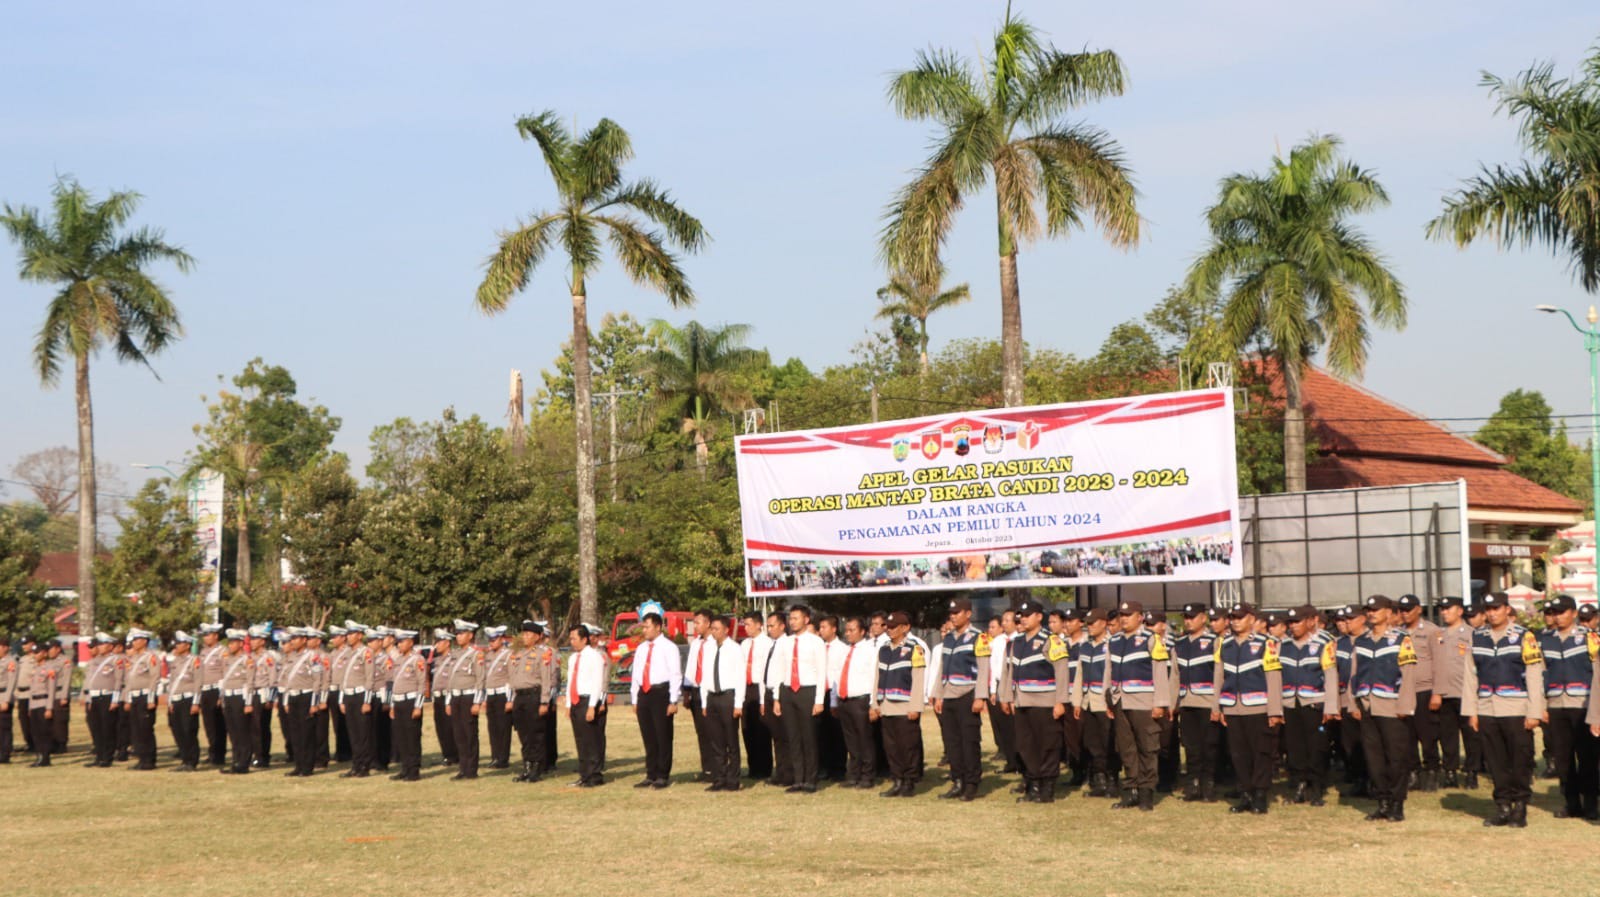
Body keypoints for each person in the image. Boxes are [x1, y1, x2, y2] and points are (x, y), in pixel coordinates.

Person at [1463, 591, 1545, 827]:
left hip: (1516, 707)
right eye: (1488, 609)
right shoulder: (1476, 637)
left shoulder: (1524, 636)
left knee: (1519, 760)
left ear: (1507, 609)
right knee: (1495, 761)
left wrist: (1534, 712)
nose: (1492, 613)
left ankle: (1520, 807)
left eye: (1497, 608)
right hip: (1487, 707)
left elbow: (1533, 675)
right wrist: (1472, 711)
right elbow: (1471, 677)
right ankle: (1502, 806)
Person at [1348, 595, 1419, 822]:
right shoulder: (1362, 641)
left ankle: (1397, 803)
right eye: (1369, 609)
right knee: (1374, 757)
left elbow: (1408, 674)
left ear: (1389, 613)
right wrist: (1353, 703)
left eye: (1376, 610)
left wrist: (1405, 705)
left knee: (1396, 757)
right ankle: (1383, 802)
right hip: (1367, 705)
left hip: (1392, 705)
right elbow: (1354, 674)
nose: (1371, 613)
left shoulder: (1401, 639)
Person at [1213, 604, 1282, 815]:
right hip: (1233, 707)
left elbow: (1273, 678)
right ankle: (1246, 794)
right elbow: (1219, 676)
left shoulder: (1265, 643)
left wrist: (1275, 710)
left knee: (1260, 753)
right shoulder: (1225, 644)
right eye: (1232, 617)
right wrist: (1217, 707)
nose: (1235, 621)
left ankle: (1260, 795)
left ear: (1251, 619)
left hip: (1258, 707)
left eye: (1240, 617)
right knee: (1238, 754)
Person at [1105, 600, 1171, 811]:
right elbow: (1108, 670)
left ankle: (1146, 792)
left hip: (1144, 701)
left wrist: (1160, 702)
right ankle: (1130, 790)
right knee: (1126, 748)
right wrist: (1108, 699)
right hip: (1120, 700)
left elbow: (1160, 672)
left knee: (1147, 748)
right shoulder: (1113, 640)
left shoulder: (1151, 639)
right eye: (1122, 615)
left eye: (1129, 614)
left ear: (1140, 617)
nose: (1124, 618)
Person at [1535, 594, 1597, 820]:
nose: (1557, 617)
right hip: (1556, 705)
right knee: (1563, 758)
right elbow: (1539, 673)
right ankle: (1571, 803)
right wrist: (1541, 705)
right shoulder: (1544, 639)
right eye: (1554, 613)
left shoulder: (1590, 637)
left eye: (1562, 612)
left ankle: (1591, 803)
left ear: (1573, 613)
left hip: (1583, 704)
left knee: (1588, 756)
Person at [1005, 598, 1071, 804]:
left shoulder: (1051, 640)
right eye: (1021, 616)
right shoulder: (1016, 642)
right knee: (1026, 745)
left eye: (1027, 616)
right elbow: (1008, 671)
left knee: (1047, 745)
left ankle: (1047, 787)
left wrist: (1061, 701)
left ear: (1039, 617)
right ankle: (1033, 785)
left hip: (1045, 702)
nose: (1022, 620)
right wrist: (1007, 697)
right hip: (1022, 701)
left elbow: (1062, 672)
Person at [1277, 605, 1338, 806]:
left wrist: (1330, 707)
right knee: (1294, 749)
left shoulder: (1323, 644)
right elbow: (1276, 678)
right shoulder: (1282, 645)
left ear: (1310, 622)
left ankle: (1316, 788)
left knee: (1316, 748)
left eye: (1297, 622)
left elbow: (1330, 676)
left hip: (1314, 704)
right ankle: (1299, 785)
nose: (1292, 626)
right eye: (1290, 623)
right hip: (1290, 704)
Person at [933, 597, 990, 802]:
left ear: (968, 614)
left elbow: (984, 668)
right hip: (949, 695)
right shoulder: (948, 638)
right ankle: (958, 780)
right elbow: (942, 668)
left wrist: (980, 696)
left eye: (957, 613)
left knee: (969, 742)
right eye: (951, 613)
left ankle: (972, 783)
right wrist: (938, 694)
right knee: (952, 742)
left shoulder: (979, 637)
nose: (953, 616)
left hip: (968, 694)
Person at [770, 604, 828, 793]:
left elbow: (821, 672)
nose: (792, 622)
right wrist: (777, 698)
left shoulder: (815, 642)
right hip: (788, 691)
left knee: (808, 737)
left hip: (807, 690)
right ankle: (798, 778)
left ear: (806, 619)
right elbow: (779, 670)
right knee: (793, 737)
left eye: (796, 618)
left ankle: (810, 779)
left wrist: (819, 700)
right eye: (790, 618)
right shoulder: (784, 642)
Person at [872, 611, 926, 797]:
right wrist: (875, 703)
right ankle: (897, 780)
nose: (890, 630)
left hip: (905, 706)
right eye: (888, 626)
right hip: (886, 705)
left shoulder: (915, 648)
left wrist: (915, 706)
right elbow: (877, 677)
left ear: (906, 628)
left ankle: (909, 781)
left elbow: (918, 679)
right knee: (892, 747)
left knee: (908, 747)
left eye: (894, 627)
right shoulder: (884, 649)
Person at [1174, 603, 1222, 802]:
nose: (1188, 621)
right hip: (1186, 701)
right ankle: (1193, 784)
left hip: (1207, 702)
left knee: (1209, 746)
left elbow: (1220, 674)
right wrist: (1172, 704)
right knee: (1191, 746)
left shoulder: (1215, 642)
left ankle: (1208, 784)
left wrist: (1217, 705)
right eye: (1186, 617)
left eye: (1192, 617)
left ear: (1203, 618)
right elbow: (1175, 676)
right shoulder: (1179, 643)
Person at [630, 612, 682, 788]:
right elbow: (636, 674)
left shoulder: (669, 647)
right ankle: (650, 773)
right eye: (643, 626)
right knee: (648, 736)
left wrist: (673, 700)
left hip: (661, 693)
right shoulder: (641, 648)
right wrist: (635, 698)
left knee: (663, 735)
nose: (644, 630)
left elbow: (675, 674)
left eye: (647, 626)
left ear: (658, 627)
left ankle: (662, 774)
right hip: (644, 693)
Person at [1397, 594, 1442, 792]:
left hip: (1425, 689)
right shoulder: (1398, 634)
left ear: (1418, 610)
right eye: (1402, 610)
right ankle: (1413, 772)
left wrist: (1437, 692)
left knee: (1428, 735)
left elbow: (1440, 662)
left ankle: (1432, 771)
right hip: (1405, 691)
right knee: (1407, 735)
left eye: (1408, 609)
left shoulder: (1432, 631)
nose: (1404, 613)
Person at [700, 615, 745, 791]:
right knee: (716, 741)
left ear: (726, 630)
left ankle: (733, 779)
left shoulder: (734, 648)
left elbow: (740, 676)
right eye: (712, 628)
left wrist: (738, 703)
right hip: (712, 696)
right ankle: (719, 778)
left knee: (731, 740)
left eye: (717, 628)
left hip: (728, 696)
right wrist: (704, 702)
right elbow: (704, 675)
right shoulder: (709, 648)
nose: (713, 632)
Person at [509, 620, 558, 782]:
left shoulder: (542, 654)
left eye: (529, 634)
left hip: (534, 696)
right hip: (520, 697)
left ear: (538, 637)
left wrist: (545, 702)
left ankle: (537, 768)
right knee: (523, 733)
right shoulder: (519, 654)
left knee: (535, 733)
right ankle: (527, 767)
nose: (525, 637)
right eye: (524, 633)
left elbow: (546, 679)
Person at [1073, 608, 1115, 797]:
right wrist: (1077, 701)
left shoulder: (1112, 644)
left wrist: (1110, 701)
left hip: (1104, 702)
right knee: (1092, 743)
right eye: (1087, 623)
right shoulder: (1086, 646)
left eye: (1093, 623)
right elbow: (1079, 674)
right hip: (1088, 701)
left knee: (1109, 743)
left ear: (1104, 623)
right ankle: (1099, 781)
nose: (1089, 627)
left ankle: (1112, 781)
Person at [833, 615, 878, 789]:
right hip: (844, 700)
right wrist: (835, 701)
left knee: (864, 739)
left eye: (852, 630)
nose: (848, 633)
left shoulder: (869, 650)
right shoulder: (844, 650)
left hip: (861, 700)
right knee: (851, 741)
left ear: (863, 631)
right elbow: (837, 675)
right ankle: (853, 774)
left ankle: (868, 776)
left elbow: (874, 678)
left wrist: (874, 704)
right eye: (847, 630)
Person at [1433, 597, 1472, 789]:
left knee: (1471, 736)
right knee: (1447, 736)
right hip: (1445, 693)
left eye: (1449, 608)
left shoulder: (1472, 634)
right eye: (1442, 609)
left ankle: (1471, 771)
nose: (1444, 612)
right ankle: (1450, 772)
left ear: (1460, 611)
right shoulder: (1438, 634)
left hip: (1466, 693)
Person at [1332, 605, 1370, 796]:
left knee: (1369, 743)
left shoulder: (1370, 640)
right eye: (1345, 619)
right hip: (1344, 700)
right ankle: (1358, 780)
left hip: (1366, 699)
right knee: (1349, 743)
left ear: (1363, 619)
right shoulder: (1339, 643)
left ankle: (1372, 781)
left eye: (1351, 618)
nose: (1346, 622)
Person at [566, 624, 607, 787]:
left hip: (588, 700)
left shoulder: (594, 656)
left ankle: (594, 775)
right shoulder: (573, 658)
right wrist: (569, 704)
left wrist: (592, 706)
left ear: (584, 639)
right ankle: (584, 774)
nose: (571, 642)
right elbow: (570, 681)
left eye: (574, 639)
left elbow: (597, 682)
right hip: (576, 701)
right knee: (581, 740)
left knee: (591, 739)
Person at [444, 619, 486, 780]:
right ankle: (463, 768)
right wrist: (448, 700)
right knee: (459, 735)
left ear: (470, 635)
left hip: (469, 697)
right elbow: (451, 680)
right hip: (455, 696)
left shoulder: (476, 654)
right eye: (457, 634)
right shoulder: (455, 655)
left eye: (462, 633)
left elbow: (480, 679)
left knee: (469, 734)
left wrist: (477, 702)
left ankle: (471, 769)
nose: (459, 637)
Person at [387, 629, 428, 782]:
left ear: (410, 642)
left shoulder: (417, 659)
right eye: (398, 642)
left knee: (412, 738)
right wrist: (392, 705)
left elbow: (421, 684)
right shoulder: (398, 660)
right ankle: (405, 768)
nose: (399, 645)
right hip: (398, 702)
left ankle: (413, 770)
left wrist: (418, 706)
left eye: (402, 642)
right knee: (401, 738)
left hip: (411, 702)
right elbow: (394, 684)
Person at [337, 623, 377, 778]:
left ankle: (364, 766)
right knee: (352, 733)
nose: (348, 636)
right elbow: (344, 678)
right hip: (349, 695)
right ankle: (356, 764)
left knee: (362, 733)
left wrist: (367, 701)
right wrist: (342, 699)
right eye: (348, 633)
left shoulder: (366, 652)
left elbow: (369, 678)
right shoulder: (347, 653)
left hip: (361, 696)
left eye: (352, 633)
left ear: (360, 635)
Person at [739, 612, 775, 782]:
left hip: (759, 688)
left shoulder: (768, 644)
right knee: (747, 728)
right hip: (745, 688)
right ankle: (753, 766)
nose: (745, 628)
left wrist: (762, 699)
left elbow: (764, 674)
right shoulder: (744, 644)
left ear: (758, 624)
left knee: (761, 729)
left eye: (748, 624)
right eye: (744, 624)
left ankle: (765, 767)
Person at [162, 631, 204, 772]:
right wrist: (170, 701)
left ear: (187, 645)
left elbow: (198, 682)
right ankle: (184, 759)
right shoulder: (175, 661)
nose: (176, 646)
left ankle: (192, 761)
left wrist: (196, 702)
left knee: (188, 730)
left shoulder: (194, 660)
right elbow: (173, 681)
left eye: (179, 643)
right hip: (176, 699)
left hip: (189, 699)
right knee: (178, 730)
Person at [123, 629, 162, 770]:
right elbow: (128, 681)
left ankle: (149, 760)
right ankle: (141, 758)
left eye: (137, 640)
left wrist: (151, 698)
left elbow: (154, 677)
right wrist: (127, 699)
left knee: (146, 729)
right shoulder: (132, 659)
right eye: (133, 640)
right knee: (136, 729)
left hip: (146, 696)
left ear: (144, 641)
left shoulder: (150, 657)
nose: (134, 643)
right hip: (134, 696)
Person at [682, 610, 714, 782]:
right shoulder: (695, 643)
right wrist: (686, 692)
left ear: (708, 623)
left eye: (698, 622)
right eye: (694, 623)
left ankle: (718, 767)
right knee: (701, 731)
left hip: (708, 690)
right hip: (695, 690)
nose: (695, 626)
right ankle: (706, 768)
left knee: (712, 731)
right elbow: (690, 667)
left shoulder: (714, 643)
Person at [82, 632, 123, 767]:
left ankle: (107, 757)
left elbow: (118, 680)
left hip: (108, 696)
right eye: (98, 644)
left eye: (102, 644)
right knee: (96, 728)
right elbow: (89, 681)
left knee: (107, 728)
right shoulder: (94, 661)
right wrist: (88, 699)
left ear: (110, 646)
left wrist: (115, 700)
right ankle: (99, 756)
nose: (99, 647)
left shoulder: (116, 660)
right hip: (95, 697)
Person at [219, 629, 257, 775]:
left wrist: (248, 703)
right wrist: (222, 697)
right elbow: (224, 679)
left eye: (233, 642)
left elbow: (250, 682)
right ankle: (235, 760)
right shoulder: (227, 659)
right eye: (229, 642)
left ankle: (244, 762)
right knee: (232, 731)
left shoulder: (247, 660)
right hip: (228, 697)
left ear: (241, 643)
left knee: (242, 731)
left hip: (240, 697)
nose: (230, 645)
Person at [817, 614, 848, 781]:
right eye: (820, 627)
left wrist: (835, 700)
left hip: (834, 692)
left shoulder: (841, 649)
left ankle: (838, 768)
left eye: (824, 627)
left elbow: (839, 674)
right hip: (820, 693)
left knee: (837, 733)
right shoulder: (819, 647)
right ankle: (824, 766)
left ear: (834, 628)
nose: (821, 631)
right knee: (821, 733)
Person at [480, 625, 514, 770]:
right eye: (490, 640)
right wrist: (483, 698)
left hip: (502, 695)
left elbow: (512, 678)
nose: (491, 643)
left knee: (503, 728)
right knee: (492, 727)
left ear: (501, 639)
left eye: (494, 640)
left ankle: (503, 758)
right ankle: (495, 756)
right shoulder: (488, 656)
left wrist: (510, 699)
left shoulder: (508, 655)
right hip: (491, 694)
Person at [195, 622, 228, 767]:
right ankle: (212, 752)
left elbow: (226, 673)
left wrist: (222, 695)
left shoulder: (223, 651)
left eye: (208, 635)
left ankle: (219, 755)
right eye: (204, 635)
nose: (205, 638)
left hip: (216, 689)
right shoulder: (202, 652)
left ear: (215, 636)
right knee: (208, 725)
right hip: (205, 690)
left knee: (218, 724)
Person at [249, 625, 279, 768]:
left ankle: (263, 756)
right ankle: (255, 754)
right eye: (252, 639)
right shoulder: (250, 657)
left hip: (263, 694)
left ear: (262, 641)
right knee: (252, 727)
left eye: (255, 639)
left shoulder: (268, 658)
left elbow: (273, 679)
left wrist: (270, 698)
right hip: (252, 694)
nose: (252, 642)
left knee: (261, 726)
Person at [26, 640, 58, 766]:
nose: (35, 655)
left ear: (44, 653)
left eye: (38, 652)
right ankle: (39, 756)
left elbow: (51, 689)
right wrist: (29, 706)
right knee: (35, 732)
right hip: (34, 703)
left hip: (44, 703)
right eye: (34, 653)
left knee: (44, 732)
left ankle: (45, 757)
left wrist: (49, 708)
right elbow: (31, 690)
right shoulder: (35, 669)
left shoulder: (50, 669)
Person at [429, 629, 457, 767]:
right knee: (440, 727)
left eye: (439, 642)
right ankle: (446, 754)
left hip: (448, 697)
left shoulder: (453, 659)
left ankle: (454, 755)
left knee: (449, 727)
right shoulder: (436, 660)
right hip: (438, 698)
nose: (436, 645)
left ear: (447, 643)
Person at [326, 626, 352, 764]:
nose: (333, 640)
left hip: (344, 690)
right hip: (333, 690)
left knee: (346, 722)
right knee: (336, 723)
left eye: (336, 637)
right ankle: (340, 750)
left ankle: (347, 751)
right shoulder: (332, 653)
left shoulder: (349, 653)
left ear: (343, 637)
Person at [0, 637, 17, 764]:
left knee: (4, 726)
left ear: (5, 647)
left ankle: (5, 753)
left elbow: (11, 682)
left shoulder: (11, 662)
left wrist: (6, 700)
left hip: (4, 696)